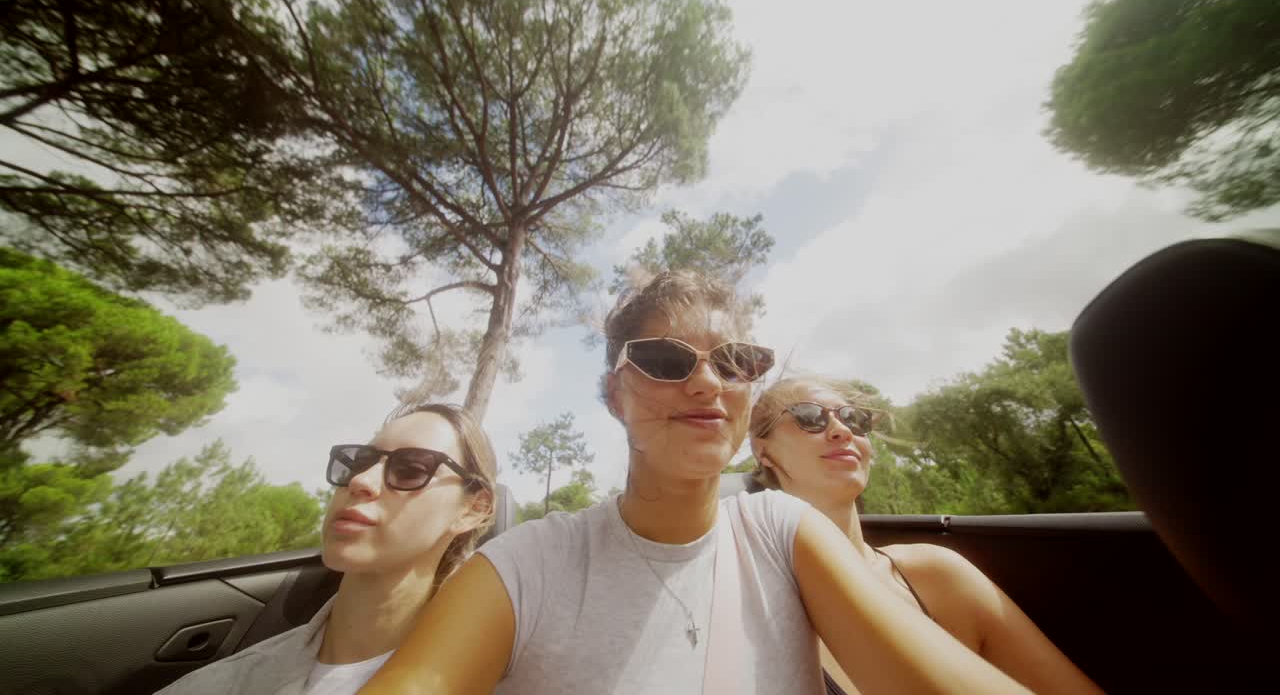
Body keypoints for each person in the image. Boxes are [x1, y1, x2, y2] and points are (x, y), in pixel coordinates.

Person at [359, 271, 1031, 695]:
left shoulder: (785, 533)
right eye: (662, 359)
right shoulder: (522, 569)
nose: (709, 383)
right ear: (614, 394)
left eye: (736, 362)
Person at [748, 376, 1103, 695]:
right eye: (810, 416)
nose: (842, 430)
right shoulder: (755, 612)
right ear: (763, 452)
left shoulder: (938, 574)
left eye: (853, 418)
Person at [156, 403, 496, 695]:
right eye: (359, 463)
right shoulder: (216, 685)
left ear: (473, 509)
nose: (360, 481)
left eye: (411, 469)